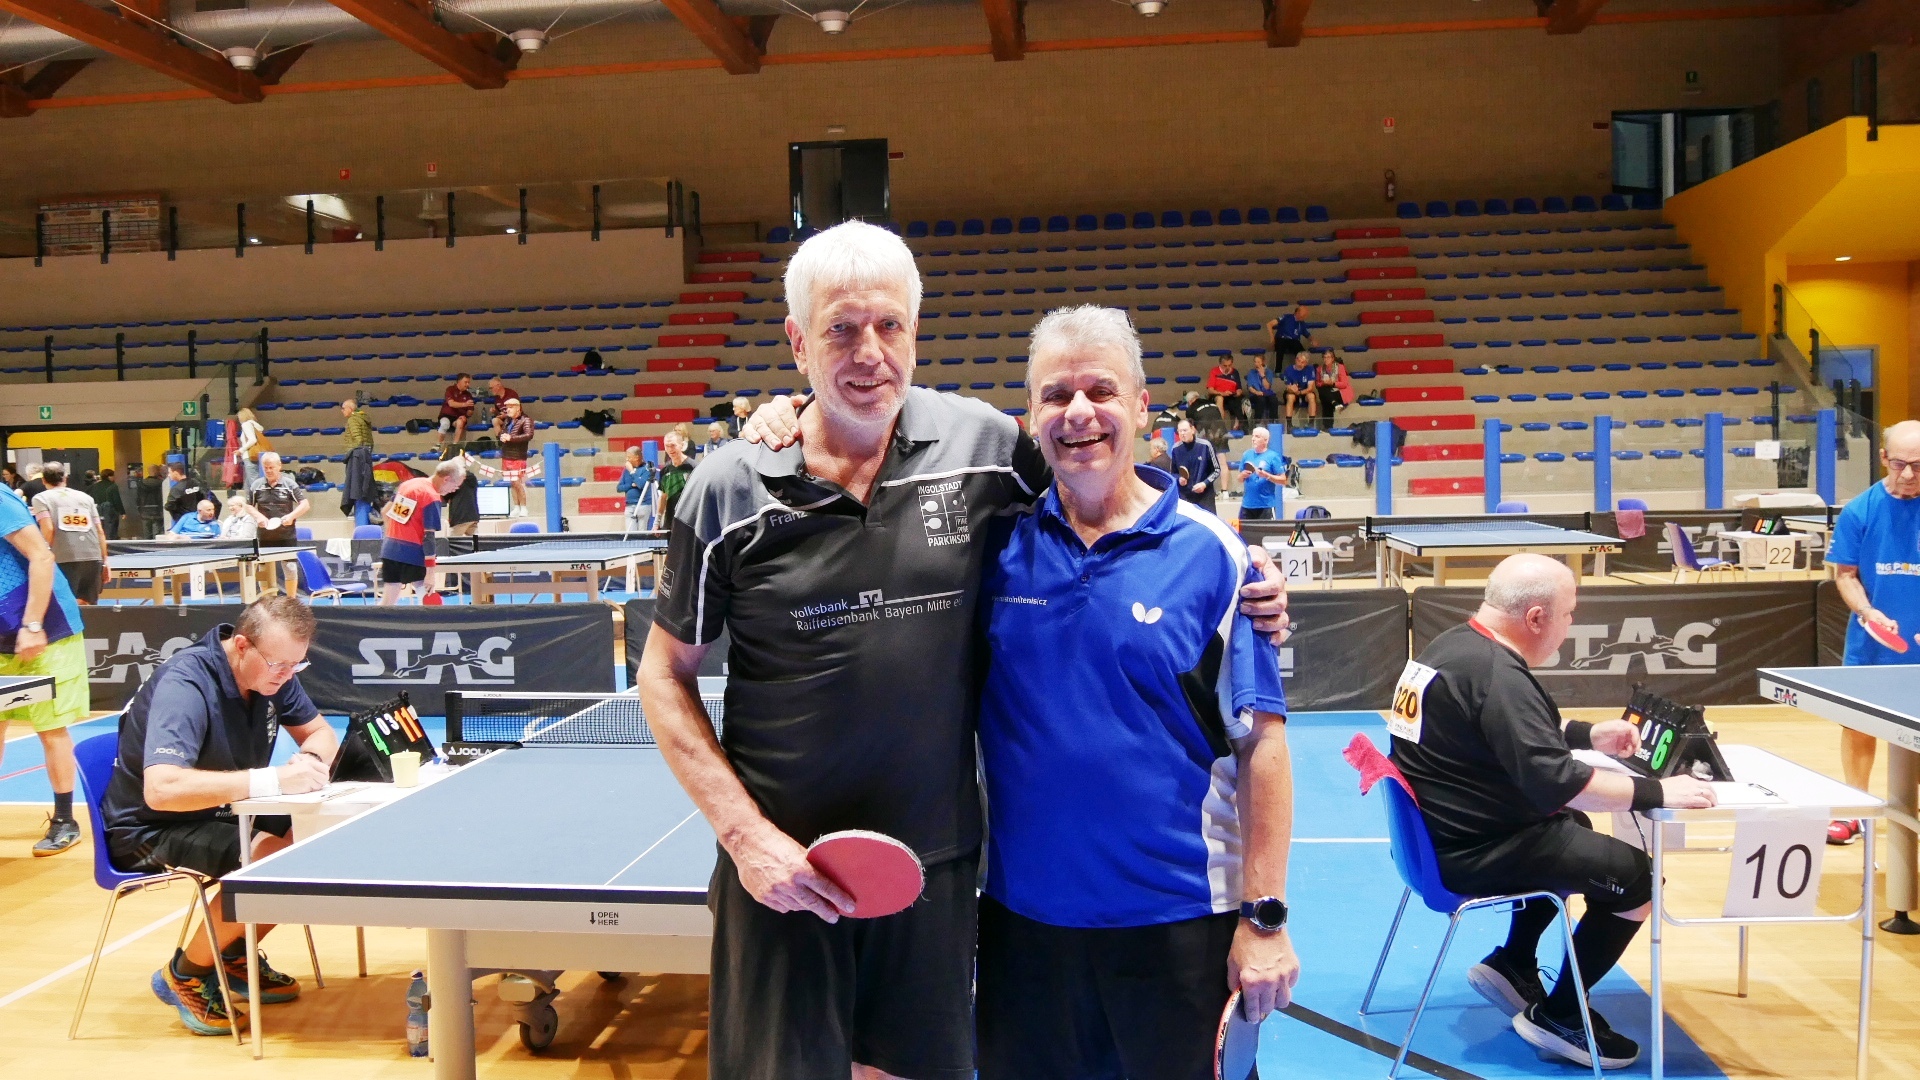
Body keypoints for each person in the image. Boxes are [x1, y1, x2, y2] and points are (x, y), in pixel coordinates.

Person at [639, 222, 1292, 1080]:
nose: (870, 352)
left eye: (889, 325)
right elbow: (664, 673)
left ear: (915, 330)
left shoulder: (984, 450)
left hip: (944, 874)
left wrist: (1246, 568)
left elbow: (1104, 481)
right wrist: (743, 837)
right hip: (786, 871)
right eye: (840, 330)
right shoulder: (730, 485)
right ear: (798, 343)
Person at [975, 306, 1298, 1078]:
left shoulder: (1216, 557)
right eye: (1056, 395)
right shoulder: (993, 551)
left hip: (1179, 929)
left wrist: (1265, 917)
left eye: (1101, 391)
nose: (1078, 412)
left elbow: (1263, 745)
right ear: (1031, 418)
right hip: (1024, 932)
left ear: (1142, 407)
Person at [1390, 555, 1716, 1069]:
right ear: (1537, 617)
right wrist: (1658, 791)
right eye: (1569, 614)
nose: (1570, 625)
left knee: (1573, 830)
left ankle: (1514, 963)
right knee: (1636, 879)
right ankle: (1562, 1016)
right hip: (1470, 852)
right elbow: (1559, 785)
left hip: (1438, 837)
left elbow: (1498, 731)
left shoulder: (1452, 646)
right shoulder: (1498, 673)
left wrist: (1587, 735)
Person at [100, 597, 336, 1036]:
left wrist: (310, 761)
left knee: (318, 838)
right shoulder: (185, 684)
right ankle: (185, 974)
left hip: (223, 810)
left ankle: (229, 955)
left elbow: (321, 732)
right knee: (279, 861)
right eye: (279, 665)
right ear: (242, 645)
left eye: (296, 666)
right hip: (151, 827)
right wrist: (274, 779)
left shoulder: (273, 673)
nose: (286, 675)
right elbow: (162, 790)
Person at [1824, 419, 1920, 848]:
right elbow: (1845, 574)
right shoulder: (1860, 510)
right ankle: (1855, 810)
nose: (1909, 474)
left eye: (1919, 466)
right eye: (1899, 464)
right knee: (1859, 728)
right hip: (1872, 643)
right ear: (1883, 458)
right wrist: (1868, 612)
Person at [0, 481, 90, 856]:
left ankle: (66, 820)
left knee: (50, 727)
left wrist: (33, 624)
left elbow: (42, 556)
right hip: (2, 625)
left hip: (44, 626)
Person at [379, 458, 464, 605]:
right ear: (446, 479)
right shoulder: (431, 497)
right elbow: (428, 537)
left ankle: (373, 621)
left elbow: (385, 512)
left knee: (387, 604)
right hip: (412, 553)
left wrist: (393, 535)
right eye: (455, 485)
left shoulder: (408, 484)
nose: (455, 490)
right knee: (430, 603)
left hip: (390, 550)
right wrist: (430, 574)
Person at [31, 462, 110, 605]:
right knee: (89, 606)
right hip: (93, 557)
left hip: (63, 558)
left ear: (43, 480)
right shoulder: (86, 498)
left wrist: (42, 555)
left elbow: (48, 529)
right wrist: (105, 562)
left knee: (64, 606)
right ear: (65, 478)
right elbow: (99, 531)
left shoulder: (41, 499)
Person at [246, 453, 309, 547]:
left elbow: (305, 505)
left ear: (279, 465)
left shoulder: (289, 484)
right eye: (265, 468)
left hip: (287, 536)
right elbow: (248, 506)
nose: (268, 471)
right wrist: (258, 516)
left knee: (289, 557)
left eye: (271, 467)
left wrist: (291, 516)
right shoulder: (256, 485)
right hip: (264, 536)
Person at [493, 397, 534, 518]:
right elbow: (503, 432)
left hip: (518, 456)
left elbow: (528, 435)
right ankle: (516, 506)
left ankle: (524, 507)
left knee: (518, 482)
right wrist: (501, 435)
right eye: (507, 408)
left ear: (518, 408)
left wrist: (511, 438)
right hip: (506, 455)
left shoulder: (526, 420)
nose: (508, 410)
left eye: (511, 407)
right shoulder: (507, 420)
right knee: (512, 483)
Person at [1168, 418, 1220, 513]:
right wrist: (1179, 479)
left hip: (1205, 497)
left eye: (1185, 430)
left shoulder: (1205, 446)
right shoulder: (1175, 449)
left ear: (1193, 430)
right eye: (1180, 431)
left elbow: (1216, 470)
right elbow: (1173, 473)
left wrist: (1204, 483)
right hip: (1185, 497)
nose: (1182, 433)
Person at [1239, 426, 1287, 521]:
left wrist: (1267, 476)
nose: (1253, 439)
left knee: (1266, 530)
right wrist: (1243, 475)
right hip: (1247, 505)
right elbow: (1239, 479)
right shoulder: (1246, 455)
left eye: (1257, 437)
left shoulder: (1273, 456)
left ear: (1266, 440)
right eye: (1253, 436)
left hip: (1266, 505)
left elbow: (1283, 480)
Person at [341, 399, 376, 526]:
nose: (342, 411)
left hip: (357, 455)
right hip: (366, 454)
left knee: (356, 489)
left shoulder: (353, 420)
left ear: (350, 409)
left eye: (343, 408)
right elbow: (370, 441)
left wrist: (352, 452)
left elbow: (358, 439)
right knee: (363, 489)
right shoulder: (363, 419)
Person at [653, 431, 694, 526]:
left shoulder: (694, 467)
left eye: (673, 445)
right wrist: (657, 522)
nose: (670, 449)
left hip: (690, 521)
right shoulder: (665, 470)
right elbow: (663, 497)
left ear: (682, 445)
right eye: (667, 446)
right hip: (670, 521)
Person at [1313, 348, 1353, 431]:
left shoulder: (1340, 367)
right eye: (1324, 357)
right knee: (1323, 391)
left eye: (1328, 357)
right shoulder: (1319, 369)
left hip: (1340, 392)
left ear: (1332, 358)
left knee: (1324, 397)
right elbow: (1317, 384)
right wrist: (1323, 383)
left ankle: (1327, 426)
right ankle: (1334, 403)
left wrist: (1333, 383)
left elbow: (1344, 384)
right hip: (1327, 392)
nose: (1326, 359)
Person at [617, 446, 653, 533]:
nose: (627, 459)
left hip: (643, 505)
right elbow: (619, 488)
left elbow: (640, 484)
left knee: (642, 533)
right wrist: (632, 485)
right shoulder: (626, 471)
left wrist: (632, 471)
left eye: (629, 457)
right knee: (630, 534)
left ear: (636, 457)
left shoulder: (646, 469)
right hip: (629, 505)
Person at [1266, 304, 1313, 369]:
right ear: (1297, 312)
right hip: (1282, 339)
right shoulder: (1286, 317)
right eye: (1302, 316)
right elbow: (1269, 324)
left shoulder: (1302, 324)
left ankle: (1302, 368)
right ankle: (1278, 370)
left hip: (1293, 342)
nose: (1304, 317)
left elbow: (1307, 334)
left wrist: (1312, 340)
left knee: (1301, 350)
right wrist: (1272, 338)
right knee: (1281, 344)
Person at [164, 461, 211, 527]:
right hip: (201, 521)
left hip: (185, 523)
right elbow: (206, 496)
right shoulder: (196, 483)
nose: (168, 475)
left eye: (169, 472)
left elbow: (169, 505)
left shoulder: (176, 489)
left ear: (175, 472)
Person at [439, 373, 475, 452]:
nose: (467, 384)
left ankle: (455, 445)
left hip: (458, 417)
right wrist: (464, 404)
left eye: (468, 382)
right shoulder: (450, 389)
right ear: (459, 381)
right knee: (445, 424)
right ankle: (438, 445)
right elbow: (451, 403)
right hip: (447, 415)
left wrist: (466, 416)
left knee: (460, 422)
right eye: (465, 382)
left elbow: (470, 412)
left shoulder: (468, 395)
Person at [445, 459, 480, 538]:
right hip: (473, 515)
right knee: (476, 542)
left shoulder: (455, 479)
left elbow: (445, 495)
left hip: (460, 516)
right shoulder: (472, 478)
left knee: (453, 542)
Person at [1280, 350, 1317, 425]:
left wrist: (1300, 392)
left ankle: (1311, 423)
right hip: (1292, 392)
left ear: (1306, 363)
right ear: (1295, 359)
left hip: (1304, 391)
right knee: (1290, 397)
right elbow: (1288, 387)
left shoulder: (1310, 369)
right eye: (1298, 361)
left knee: (1311, 396)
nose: (1299, 363)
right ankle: (1289, 424)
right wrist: (1292, 389)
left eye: (1302, 362)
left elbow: (1310, 388)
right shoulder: (1289, 369)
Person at [1208, 354, 1245, 426]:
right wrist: (1222, 393)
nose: (1227, 367)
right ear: (1220, 364)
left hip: (1231, 396)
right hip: (1217, 395)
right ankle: (1220, 425)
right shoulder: (1214, 371)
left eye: (1229, 365)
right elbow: (1210, 390)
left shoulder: (1235, 372)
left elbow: (1239, 388)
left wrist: (1238, 392)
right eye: (1225, 366)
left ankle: (1241, 424)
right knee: (1220, 398)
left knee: (1238, 400)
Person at [234, 408, 266, 488]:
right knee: (248, 484)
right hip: (257, 455)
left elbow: (252, 440)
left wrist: (241, 450)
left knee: (254, 482)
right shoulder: (255, 425)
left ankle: (258, 496)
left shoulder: (246, 425)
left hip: (249, 456)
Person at [91, 467, 125, 540]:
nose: (114, 477)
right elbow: (117, 500)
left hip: (98, 509)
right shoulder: (113, 486)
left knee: (101, 526)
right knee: (112, 528)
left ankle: (103, 540)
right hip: (110, 510)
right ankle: (112, 541)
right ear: (109, 476)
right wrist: (122, 512)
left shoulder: (96, 486)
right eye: (113, 476)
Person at [1245, 355, 1278, 422]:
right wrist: (1257, 392)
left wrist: (1263, 375)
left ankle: (1273, 421)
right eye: (1255, 362)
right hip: (1255, 394)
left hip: (1266, 393)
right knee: (1261, 400)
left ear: (1263, 362)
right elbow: (1250, 387)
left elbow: (1267, 387)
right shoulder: (1251, 372)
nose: (1256, 364)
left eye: (1258, 362)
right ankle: (1257, 421)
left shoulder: (1269, 372)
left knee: (1274, 400)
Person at [136, 465, 165, 539]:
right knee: (157, 535)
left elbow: (138, 498)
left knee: (147, 534)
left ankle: (148, 545)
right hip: (158, 510)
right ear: (157, 471)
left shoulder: (141, 483)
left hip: (145, 511)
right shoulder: (162, 483)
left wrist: (139, 509)